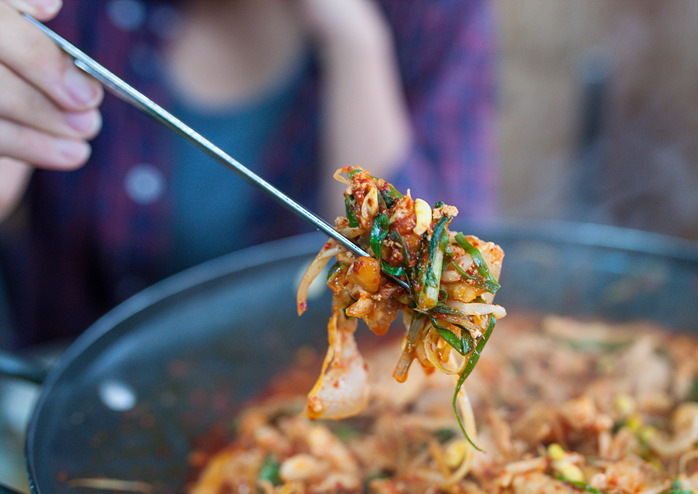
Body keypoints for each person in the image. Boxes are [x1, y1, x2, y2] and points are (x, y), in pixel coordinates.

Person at [0, 0, 497, 348]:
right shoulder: (62, 12)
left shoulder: (435, 13)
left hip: (312, 408)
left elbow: (438, 288)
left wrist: (356, 42)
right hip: (69, 397)